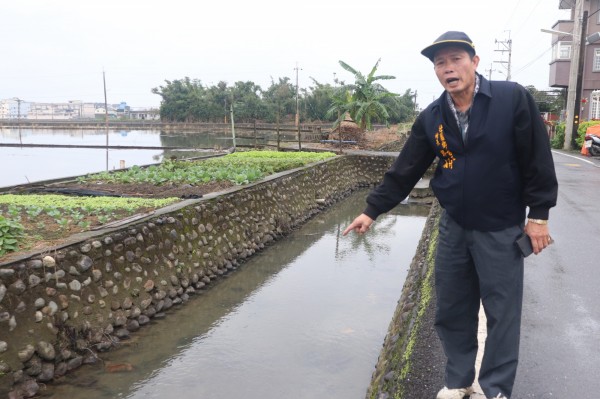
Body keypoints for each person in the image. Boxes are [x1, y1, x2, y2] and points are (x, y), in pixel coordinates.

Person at [343, 31, 558, 399]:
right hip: (454, 225)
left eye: (456, 59)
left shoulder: (511, 98)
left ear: (474, 62)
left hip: (500, 226)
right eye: (440, 63)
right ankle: (459, 380)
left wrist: (538, 216)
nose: (448, 68)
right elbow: (406, 168)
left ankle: (495, 388)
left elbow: (537, 157)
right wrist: (372, 210)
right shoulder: (432, 116)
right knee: (452, 308)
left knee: (502, 313)